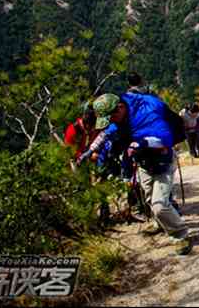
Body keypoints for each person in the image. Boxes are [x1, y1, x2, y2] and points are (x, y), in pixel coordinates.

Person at [80, 92, 192, 255]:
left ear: (119, 108)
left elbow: (165, 140)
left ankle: (181, 235)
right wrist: (90, 151)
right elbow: (108, 132)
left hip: (163, 162)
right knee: (148, 197)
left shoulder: (148, 115)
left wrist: (143, 142)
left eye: (111, 118)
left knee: (159, 205)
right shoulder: (120, 118)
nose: (110, 122)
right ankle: (161, 224)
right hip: (144, 164)